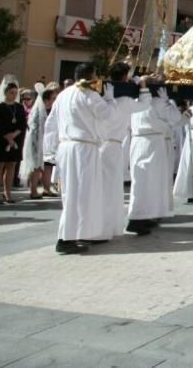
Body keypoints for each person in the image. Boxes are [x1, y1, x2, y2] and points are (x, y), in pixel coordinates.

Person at [44, 63, 116, 254]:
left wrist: (51, 151)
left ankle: (71, 235)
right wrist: (109, 99)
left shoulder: (63, 95)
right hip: (83, 148)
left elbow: (50, 124)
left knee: (71, 194)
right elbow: (107, 115)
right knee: (81, 194)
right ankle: (67, 238)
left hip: (66, 147)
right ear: (91, 76)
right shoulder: (89, 94)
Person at [127, 86, 181, 235]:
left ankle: (144, 216)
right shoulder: (158, 102)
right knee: (150, 182)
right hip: (153, 143)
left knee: (142, 182)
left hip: (138, 142)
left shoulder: (137, 100)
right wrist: (167, 102)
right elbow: (176, 117)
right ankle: (137, 219)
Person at [0, 81, 26, 204]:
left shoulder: (19, 107)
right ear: (5, 93)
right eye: (11, 92)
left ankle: (8, 193)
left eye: (16, 93)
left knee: (11, 166)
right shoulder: (0, 107)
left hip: (16, 139)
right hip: (1, 139)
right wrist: (8, 138)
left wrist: (14, 135)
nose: (14, 95)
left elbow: (22, 124)